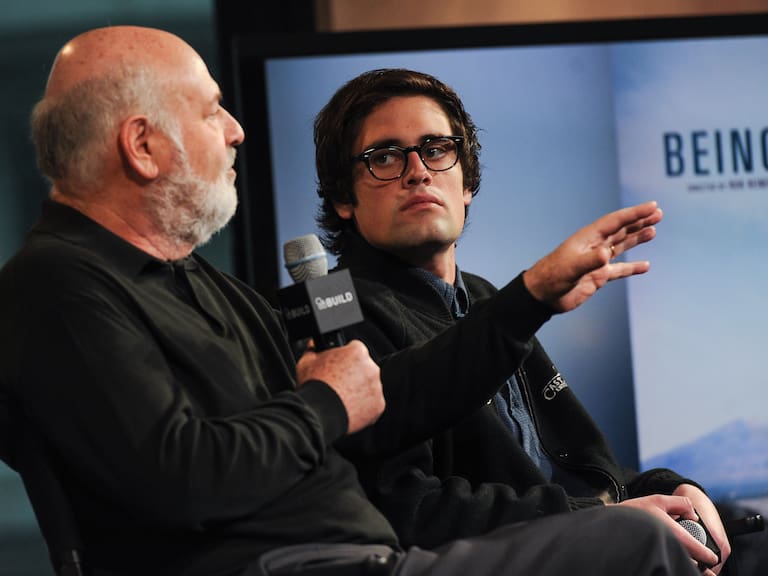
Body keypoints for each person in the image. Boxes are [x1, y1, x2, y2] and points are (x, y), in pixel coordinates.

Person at [0, 26, 704, 576]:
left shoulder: (201, 285)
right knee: (641, 541)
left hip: (360, 557)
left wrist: (527, 302)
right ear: (143, 146)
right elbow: (185, 478)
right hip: (306, 565)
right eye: (212, 109)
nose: (237, 129)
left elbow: (374, 406)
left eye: (437, 151)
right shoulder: (59, 285)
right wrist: (322, 403)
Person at [313, 68, 731, 575]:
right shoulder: (333, 307)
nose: (417, 171)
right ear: (342, 199)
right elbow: (406, 506)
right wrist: (601, 518)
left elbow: (577, 470)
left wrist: (667, 490)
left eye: (436, 148)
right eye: (384, 157)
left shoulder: (485, 296)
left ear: (466, 181)